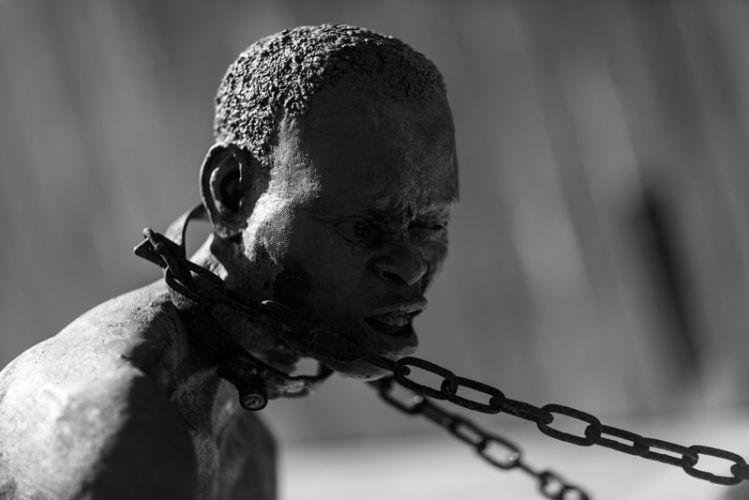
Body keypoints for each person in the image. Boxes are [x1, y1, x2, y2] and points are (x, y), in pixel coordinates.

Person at [0, 24, 458, 499]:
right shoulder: (112, 425)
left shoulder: (246, 443)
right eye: (360, 224)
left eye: (430, 225)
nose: (411, 265)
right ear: (232, 194)